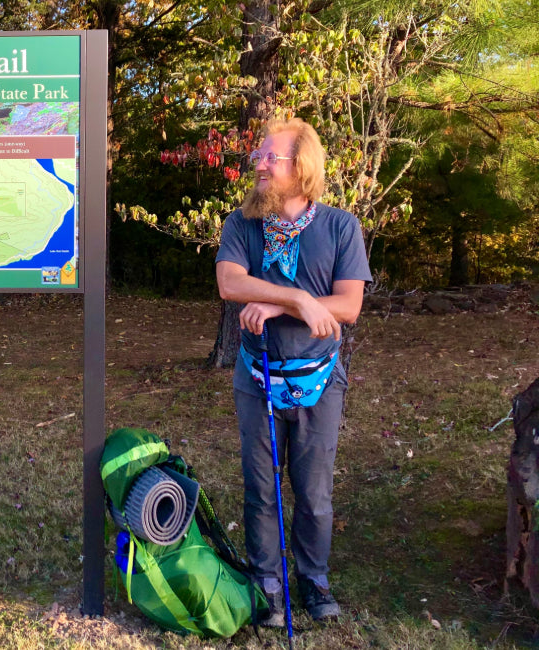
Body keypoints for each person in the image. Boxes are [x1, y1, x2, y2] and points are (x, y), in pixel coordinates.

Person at [214, 117, 372, 625]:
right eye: (258, 156)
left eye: (269, 158)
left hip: (320, 380)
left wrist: (282, 308)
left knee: (313, 490)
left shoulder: (340, 227)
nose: (257, 164)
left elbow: (348, 307)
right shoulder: (242, 223)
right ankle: (267, 585)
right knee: (260, 487)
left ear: (300, 167)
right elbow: (231, 284)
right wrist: (300, 297)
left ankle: (314, 580)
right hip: (256, 375)